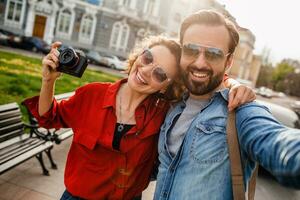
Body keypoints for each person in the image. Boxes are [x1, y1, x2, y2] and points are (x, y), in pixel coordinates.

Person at [23, 35, 255, 200]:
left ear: (166, 86)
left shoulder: (166, 113)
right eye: (147, 58)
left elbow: (207, 82)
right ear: (138, 57)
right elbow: (48, 117)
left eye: (160, 73)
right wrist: (48, 80)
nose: (145, 71)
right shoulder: (92, 94)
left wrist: (235, 84)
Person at [154, 10, 300, 200]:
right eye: (191, 50)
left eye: (213, 54)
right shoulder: (172, 103)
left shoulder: (241, 110)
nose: (200, 63)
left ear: (229, 61)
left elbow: (277, 141)